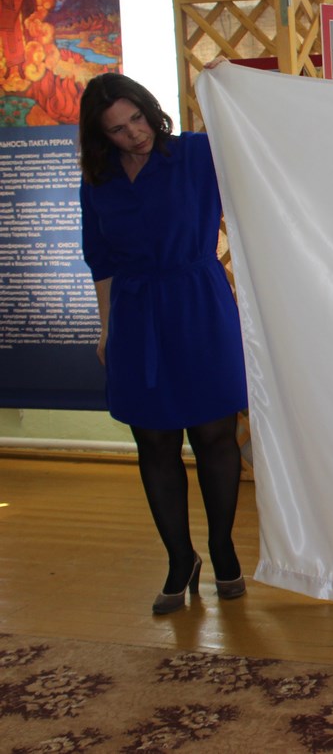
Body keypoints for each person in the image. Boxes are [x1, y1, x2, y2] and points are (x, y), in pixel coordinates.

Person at [78, 72, 249, 614]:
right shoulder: (99, 179)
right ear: (101, 136)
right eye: (118, 129)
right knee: (153, 442)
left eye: (137, 118)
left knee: (215, 436)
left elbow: (260, 160)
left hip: (199, 303)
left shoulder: (197, 154)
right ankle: (180, 559)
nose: (135, 133)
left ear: (150, 110)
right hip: (135, 314)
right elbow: (100, 260)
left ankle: (222, 548)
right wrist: (106, 328)